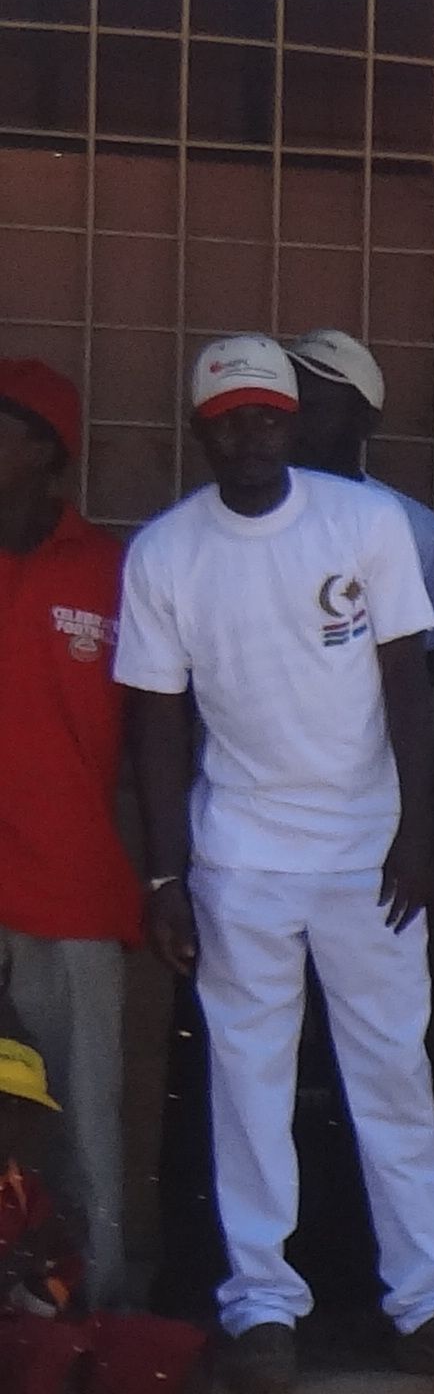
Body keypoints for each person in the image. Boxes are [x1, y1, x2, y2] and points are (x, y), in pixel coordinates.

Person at [114, 337, 434, 1394]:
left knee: (393, 1076)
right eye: (228, 420)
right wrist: (166, 877)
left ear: (292, 424)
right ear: (201, 432)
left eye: (266, 418)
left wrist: (416, 836)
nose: (249, 437)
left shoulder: (364, 525)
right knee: (249, 1084)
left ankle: (429, 1303)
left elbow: (411, 692)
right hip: (240, 852)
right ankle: (262, 1307)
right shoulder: (165, 553)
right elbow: (155, 727)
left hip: (367, 851)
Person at [3, 1036, 301, 1394]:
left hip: (31, 1336)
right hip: (25, 1354)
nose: (12, 1121)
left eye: (23, 1110)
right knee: (55, 1352)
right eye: (4, 1105)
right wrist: (24, 1258)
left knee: (178, 1348)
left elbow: (54, 1298)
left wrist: (61, 1258)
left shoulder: (28, 1191)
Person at [0, 358, 138, 1314]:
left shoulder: (114, 569)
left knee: (83, 1113)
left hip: (73, 887)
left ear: (51, 451)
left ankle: (94, 1308)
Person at [284, 327, 434, 629]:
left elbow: (421, 661)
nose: (295, 421)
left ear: (365, 421)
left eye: (315, 408)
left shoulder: (416, 529)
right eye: (289, 406)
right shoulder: (243, 513)